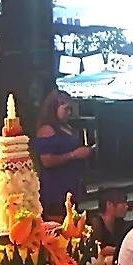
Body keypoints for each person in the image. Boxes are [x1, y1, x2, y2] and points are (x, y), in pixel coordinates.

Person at [34, 90, 92, 221]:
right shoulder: (47, 130)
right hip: (56, 187)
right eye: (66, 109)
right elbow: (46, 160)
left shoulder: (66, 127)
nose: (69, 113)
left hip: (71, 183)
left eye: (71, 109)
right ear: (54, 108)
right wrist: (74, 155)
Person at [90, 189, 129, 265]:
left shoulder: (119, 223)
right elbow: (100, 249)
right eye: (123, 203)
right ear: (109, 204)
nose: (126, 206)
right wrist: (124, 249)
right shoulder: (96, 222)